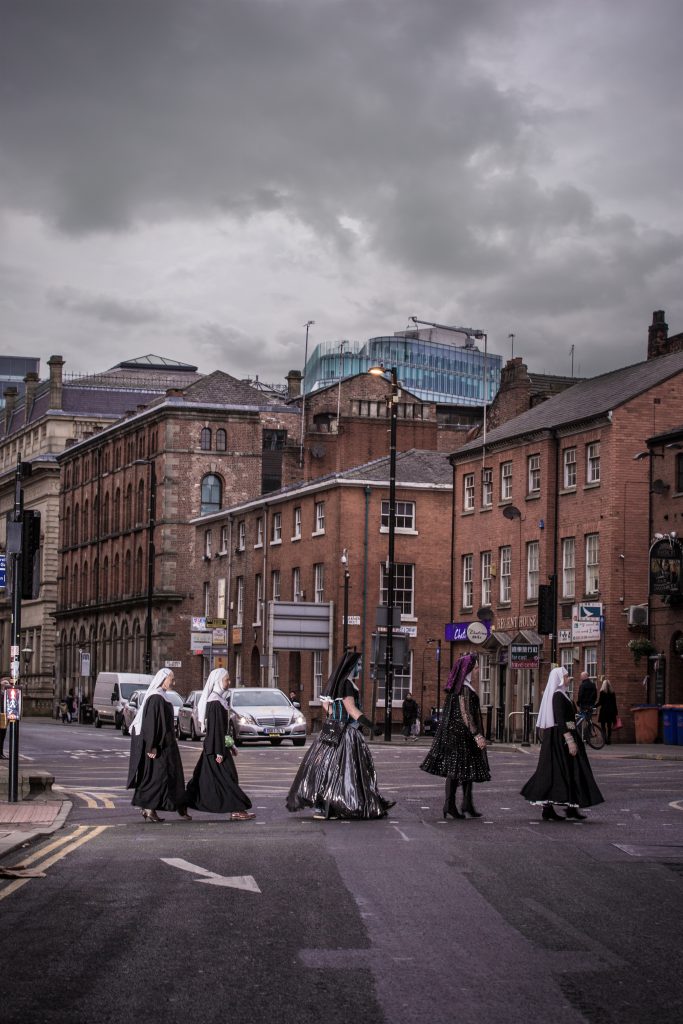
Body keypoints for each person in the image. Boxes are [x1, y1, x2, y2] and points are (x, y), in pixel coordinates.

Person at [286, 651, 394, 820]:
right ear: (350, 667)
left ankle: (325, 807)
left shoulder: (335, 682)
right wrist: (371, 725)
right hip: (346, 733)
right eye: (357, 665)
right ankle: (343, 804)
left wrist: (335, 716)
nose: (359, 668)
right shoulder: (348, 685)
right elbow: (351, 709)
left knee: (326, 769)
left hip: (331, 732)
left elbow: (325, 704)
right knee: (347, 772)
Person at [521, 666, 604, 821]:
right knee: (557, 771)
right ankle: (550, 808)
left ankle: (572, 806)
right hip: (560, 739)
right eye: (566, 677)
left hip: (568, 735)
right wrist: (569, 740)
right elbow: (559, 719)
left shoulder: (564, 695)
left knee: (573, 770)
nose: (568, 679)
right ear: (559, 679)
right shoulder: (558, 696)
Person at [420, 653, 490, 820]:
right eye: (477, 667)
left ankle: (466, 803)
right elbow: (466, 714)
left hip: (459, 734)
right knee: (456, 769)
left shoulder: (461, 687)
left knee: (466, 768)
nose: (478, 670)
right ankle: (450, 804)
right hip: (460, 735)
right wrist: (477, 735)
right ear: (469, 670)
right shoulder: (464, 689)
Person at [185, 669, 255, 820]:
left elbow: (223, 731)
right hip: (216, 749)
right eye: (226, 680)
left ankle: (183, 803)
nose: (229, 682)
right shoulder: (215, 702)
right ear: (218, 681)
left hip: (217, 747)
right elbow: (215, 729)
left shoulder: (218, 700)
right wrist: (219, 752)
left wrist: (232, 746)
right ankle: (237, 810)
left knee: (202, 779)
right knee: (227, 778)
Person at [126, 668, 192, 823]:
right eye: (171, 679)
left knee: (171, 777)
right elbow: (151, 724)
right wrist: (152, 746)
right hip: (159, 746)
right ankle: (149, 807)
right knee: (157, 778)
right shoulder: (155, 698)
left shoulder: (161, 696)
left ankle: (175, 806)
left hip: (167, 744)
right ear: (163, 679)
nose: (173, 682)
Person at [597, 676, 619, 745]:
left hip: (604, 711)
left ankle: (604, 738)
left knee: (603, 726)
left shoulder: (602, 692)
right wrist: (616, 713)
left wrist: (594, 706)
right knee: (609, 726)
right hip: (611, 711)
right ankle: (609, 739)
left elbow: (600, 702)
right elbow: (614, 703)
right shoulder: (612, 693)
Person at [0, 678, 9, 759]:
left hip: (5, 717)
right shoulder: (1, 694)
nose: (7, 685)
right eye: (5, 683)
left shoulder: (7, 695)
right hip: (1, 717)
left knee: (2, 736)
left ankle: (1, 752)